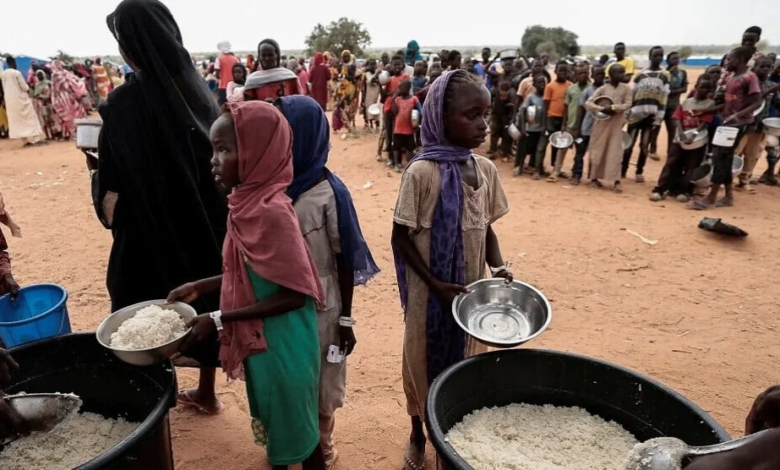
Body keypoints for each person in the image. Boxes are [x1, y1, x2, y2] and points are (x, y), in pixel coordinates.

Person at [170, 101, 326, 470]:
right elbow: (254, 273)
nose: (214, 159)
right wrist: (202, 286)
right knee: (283, 423)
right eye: (214, 149)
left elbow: (294, 293)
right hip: (264, 340)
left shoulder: (273, 211)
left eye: (224, 149)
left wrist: (221, 318)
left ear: (258, 152)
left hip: (286, 344)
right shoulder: (246, 203)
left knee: (301, 434)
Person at [95, 0, 228, 414]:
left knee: (135, 304)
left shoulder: (120, 107)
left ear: (131, 46)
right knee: (204, 304)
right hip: (202, 230)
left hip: (145, 237)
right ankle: (207, 391)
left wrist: (96, 174)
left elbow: (113, 189)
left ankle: (156, 401)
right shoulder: (198, 93)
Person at [391, 69, 511, 470]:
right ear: (441, 117)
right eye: (471, 115)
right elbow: (401, 239)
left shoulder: (486, 170)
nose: (482, 124)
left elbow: (486, 225)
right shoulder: (421, 172)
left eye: (486, 114)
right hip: (431, 295)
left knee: (463, 366)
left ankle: (450, 438)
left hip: (470, 293)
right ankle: (416, 432)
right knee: (421, 363)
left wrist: (498, 266)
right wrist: (436, 284)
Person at [276, 95, 379, 469]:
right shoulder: (274, 186)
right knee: (290, 373)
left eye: (286, 133)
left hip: (323, 302)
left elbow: (346, 261)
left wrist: (346, 320)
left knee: (322, 379)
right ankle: (288, 441)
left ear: (305, 136)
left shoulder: (330, 193)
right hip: (281, 301)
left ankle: (323, 445)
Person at [689, 47, 762, 210]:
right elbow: (727, 104)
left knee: (721, 158)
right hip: (727, 123)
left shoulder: (750, 78)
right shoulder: (732, 78)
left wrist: (737, 116)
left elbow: (757, 102)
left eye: (731, 59)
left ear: (742, 59)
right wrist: (706, 111)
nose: (727, 62)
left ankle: (711, 197)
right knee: (724, 158)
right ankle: (728, 196)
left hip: (737, 125)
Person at [650, 77, 717, 202]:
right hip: (679, 138)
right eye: (702, 87)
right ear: (696, 87)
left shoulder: (709, 104)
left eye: (708, 88)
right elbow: (678, 118)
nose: (704, 90)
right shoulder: (686, 102)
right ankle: (661, 188)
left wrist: (695, 133)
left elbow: (705, 122)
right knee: (672, 163)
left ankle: (684, 190)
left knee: (691, 165)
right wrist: (680, 133)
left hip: (697, 140)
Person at [622, 46, 670, 182]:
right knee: (628, 145)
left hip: (650, 117)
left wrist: (659, 118)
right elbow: (633, 95)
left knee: (644, 146)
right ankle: (623, 169)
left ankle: (639, 171)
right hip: (635, 114)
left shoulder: (664, 76)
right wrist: (627, 113)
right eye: (655, 55)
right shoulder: (641, 75)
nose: (658, 58)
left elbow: (663, 98)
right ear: (650, 57)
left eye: (660, 55)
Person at [584, 63, 633, 193]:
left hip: (617, 124)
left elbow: (628, 104)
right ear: (612, 75)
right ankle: (594, 178)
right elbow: (588, 103)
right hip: (602, 124)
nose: (624, 75)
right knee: (598, 150)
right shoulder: (603, 89)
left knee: (615, 152)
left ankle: (616, 181)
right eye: (621, 73)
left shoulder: (626, 89)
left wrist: (613, 108)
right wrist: (601, 109)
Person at [736, 56, 780, 192]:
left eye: (768, 67)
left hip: (760, 126)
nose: (765, 70)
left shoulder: (771, 85)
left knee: (752, 154)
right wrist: (769, 92)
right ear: (754, 68)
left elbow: (776, 103)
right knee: (736, 151)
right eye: (762, 66)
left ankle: (744, 180)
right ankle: (727, 177)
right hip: (743, 124)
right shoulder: (746, 83)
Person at [648, 51, 688, 159]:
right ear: (667, 61)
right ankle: (652, 150)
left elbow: (685, 89)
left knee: (673, 130)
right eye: (673, 59)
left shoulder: (682, 73)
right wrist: (669, 76)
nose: (676, 61)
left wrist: (669, 92)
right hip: (660, 105)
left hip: (673, 106)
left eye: (677, 58)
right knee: (655, 128)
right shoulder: (663, 73)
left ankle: (670, 152)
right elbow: (659, 87)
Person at [555, 64, 590, 183]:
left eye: (585, 73)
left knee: (580, 151)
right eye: (580, 73)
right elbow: (566, 108)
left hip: (585, 126)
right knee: (562, 147)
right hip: (571, 124)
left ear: (588, 74)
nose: (583, 75)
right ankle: (557, 170)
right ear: (576, 75)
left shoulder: (591, 89)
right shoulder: (571, 89)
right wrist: (563, 124)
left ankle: (576, 173)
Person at [571, 64, 606, 185]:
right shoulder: (587, 91)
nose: (600, 76)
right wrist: (578, 128)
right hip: (586, 127)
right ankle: (576, 175)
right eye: (598, 74)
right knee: (580, 153)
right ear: (592, 75)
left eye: (602, 74)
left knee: (596, 155)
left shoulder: (607, 90)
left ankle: (594, 178)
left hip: (601, 128)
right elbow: (580, 110)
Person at [0, 56, 45, 146]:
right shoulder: (17, 73)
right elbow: (24, 87)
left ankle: (25, 141)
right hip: (21, 99)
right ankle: (36, 139)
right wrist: (30, 90)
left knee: (17, 121)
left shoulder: (3, 74)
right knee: (31, 117)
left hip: (9, 101)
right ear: (13, 63)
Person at [538, 61, 570, 181]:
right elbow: (545, 105)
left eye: (565, 71)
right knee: (544, 144)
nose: (563, 73)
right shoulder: (550, 86)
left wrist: (565, 122)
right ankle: (538, 168)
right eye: (560, 70)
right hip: (551, 118)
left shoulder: (570, 86)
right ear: (555, 71)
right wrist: (544, 123)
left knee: (558, 145)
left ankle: (555, 169)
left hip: (563, 119)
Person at [379, 55, 410, 164]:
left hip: (399, 110)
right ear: (391, 66)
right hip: (387, 108)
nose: (397, 67)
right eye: (394, 65)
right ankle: (390, 157)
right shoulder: (389, 80)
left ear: (402, 65)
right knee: (388, 133)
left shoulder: (405, 77)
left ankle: (397, 159)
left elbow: (402, 90)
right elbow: (383, 97)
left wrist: (391, 93)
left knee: (395, 134)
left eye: (399, 64)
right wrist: (379, 84)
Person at [514, 74, 547, 176]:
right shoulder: (530, 97)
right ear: (534, 84)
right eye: (539, 83)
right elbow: (523, 112)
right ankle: (520, 167)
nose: (542, 85)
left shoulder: (546, 97)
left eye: (543, 82)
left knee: (539, 150)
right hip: (530, 129)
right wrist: (523, 128)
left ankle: (537, 170)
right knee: (525, 149)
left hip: (540, 129)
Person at [50, 60, 87, 140]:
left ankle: (68, 134)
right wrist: (80, 89)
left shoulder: (54, 75)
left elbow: (53, 90)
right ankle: (78, 132)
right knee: (75, 114)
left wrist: (53, 101)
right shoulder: (66, 73)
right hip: (70, 98)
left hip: (60, 99)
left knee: (65, 117)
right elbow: (76, 82)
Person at [487, 64, 518, 161]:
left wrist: (511, 118)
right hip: (497, 111)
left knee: (506, 133)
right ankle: (494, 150)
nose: (502, 98)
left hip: (506, 113)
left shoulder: (512, 90)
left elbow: (513, 107)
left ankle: (506, 152)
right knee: (494, 130)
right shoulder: (499, 79)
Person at [392, 80, 422, 172]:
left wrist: (417, 124)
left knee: (410, 147)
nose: (399, 89)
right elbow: (395, 112)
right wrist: (393, 99)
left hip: (409, 129)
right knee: (396, 147)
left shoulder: (414, 99)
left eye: (401, 88)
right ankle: (397, 164)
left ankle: (410, 164)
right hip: (398, 128)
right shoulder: (397, 99)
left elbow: (420, 112)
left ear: (408, 88)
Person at [758, 61, 780, 185]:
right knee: (766, 149)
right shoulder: (767, 82)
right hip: (764, 120)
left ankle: (769, 174)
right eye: (777, 67)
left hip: (774, 121)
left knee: (773, 150)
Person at [334, 50, 361, 131]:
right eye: (345, 56)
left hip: (350, 89)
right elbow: (336, 77)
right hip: (341, 88)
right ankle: (339, 124)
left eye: (347, 56)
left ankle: (349, 123)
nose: (346, 58)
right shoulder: (340, 65)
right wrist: (338, 77)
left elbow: (352, 78)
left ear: (350, 57)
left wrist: (345, 76)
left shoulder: (352, 66)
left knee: (349, 106)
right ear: (342, 57)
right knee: (340, 106)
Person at [31, 70, 61, 141]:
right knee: (45, 120)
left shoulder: (48, 83)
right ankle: (48, 135)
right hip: (42, 105)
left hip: (49, 103)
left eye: (41, 75)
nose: (40, 76)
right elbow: (35, 95)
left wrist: (42, 96)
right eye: (38, 75)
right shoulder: (37, 85)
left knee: (52, 119)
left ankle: (56, 134)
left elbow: (52, 93)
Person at [215, 41, 239, 105]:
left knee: (223, 105)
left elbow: (217, 74)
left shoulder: (219, 59)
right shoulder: (235, 59)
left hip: (223, 86)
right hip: (234, 86)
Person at [363, 59, 381, 130]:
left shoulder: (379, 72)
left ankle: (377, 125)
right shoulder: (367, 74)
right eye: (371, 64)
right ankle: (370, 125)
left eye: (374, 64)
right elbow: (372, 80)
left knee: (377, 108)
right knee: (369, 108)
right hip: (369, 94)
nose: (372, 66)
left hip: (377, 94)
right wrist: (376, 75)